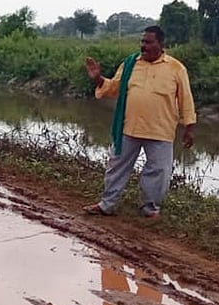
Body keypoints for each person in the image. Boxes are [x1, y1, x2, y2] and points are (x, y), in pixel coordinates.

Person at [83, 25, 196, 218]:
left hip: (160, 130)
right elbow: (113, 88)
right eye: (142, 41)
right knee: (116, 167)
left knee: (159, 171)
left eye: (148, 42)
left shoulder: (176, 68)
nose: (143, 46)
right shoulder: (130, 64)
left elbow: (185, 98)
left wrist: (189, 128)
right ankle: (106, 204)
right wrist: (98, 79)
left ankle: (149, 208)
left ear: (161, 44)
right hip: (129, 127)